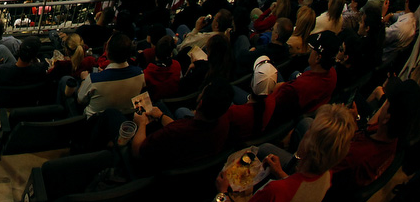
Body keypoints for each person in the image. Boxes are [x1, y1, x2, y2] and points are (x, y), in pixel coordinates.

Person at [216, 103, 354, 202]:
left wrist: (222, 193)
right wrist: (281, 174)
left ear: (310, 147)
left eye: (309, 130)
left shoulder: (275, 191)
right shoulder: (327, 176)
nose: (305, 132)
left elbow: (287, 192)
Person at [131, 77, 234, 173]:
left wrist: (141, 124)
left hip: (159, 167)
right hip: (192, 157)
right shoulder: (224, 122)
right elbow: (180, 129)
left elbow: (137, 152)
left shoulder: (173, 133)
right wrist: (161, 116)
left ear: (200, 103)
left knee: (114, 114)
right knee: (160, 105)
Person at [73, 33, 145, 118]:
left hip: (95, 124)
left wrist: (84, 79)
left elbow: (80, 100)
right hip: (125, 119)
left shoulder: (93, 79)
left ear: (107, 52)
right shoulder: (140, 74)